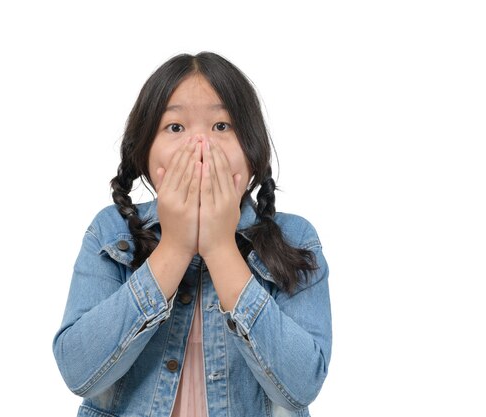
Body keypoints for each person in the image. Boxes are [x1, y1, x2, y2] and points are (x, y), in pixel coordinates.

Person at [52, 52, 332, 417]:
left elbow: (302, 386)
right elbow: (78, 371)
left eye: (221, 126)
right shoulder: (110, 231)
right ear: (145, 151)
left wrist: (219, 248)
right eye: (175, 127)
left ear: (253, 149)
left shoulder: (295, 238)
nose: (201, 147)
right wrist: (175, 246)